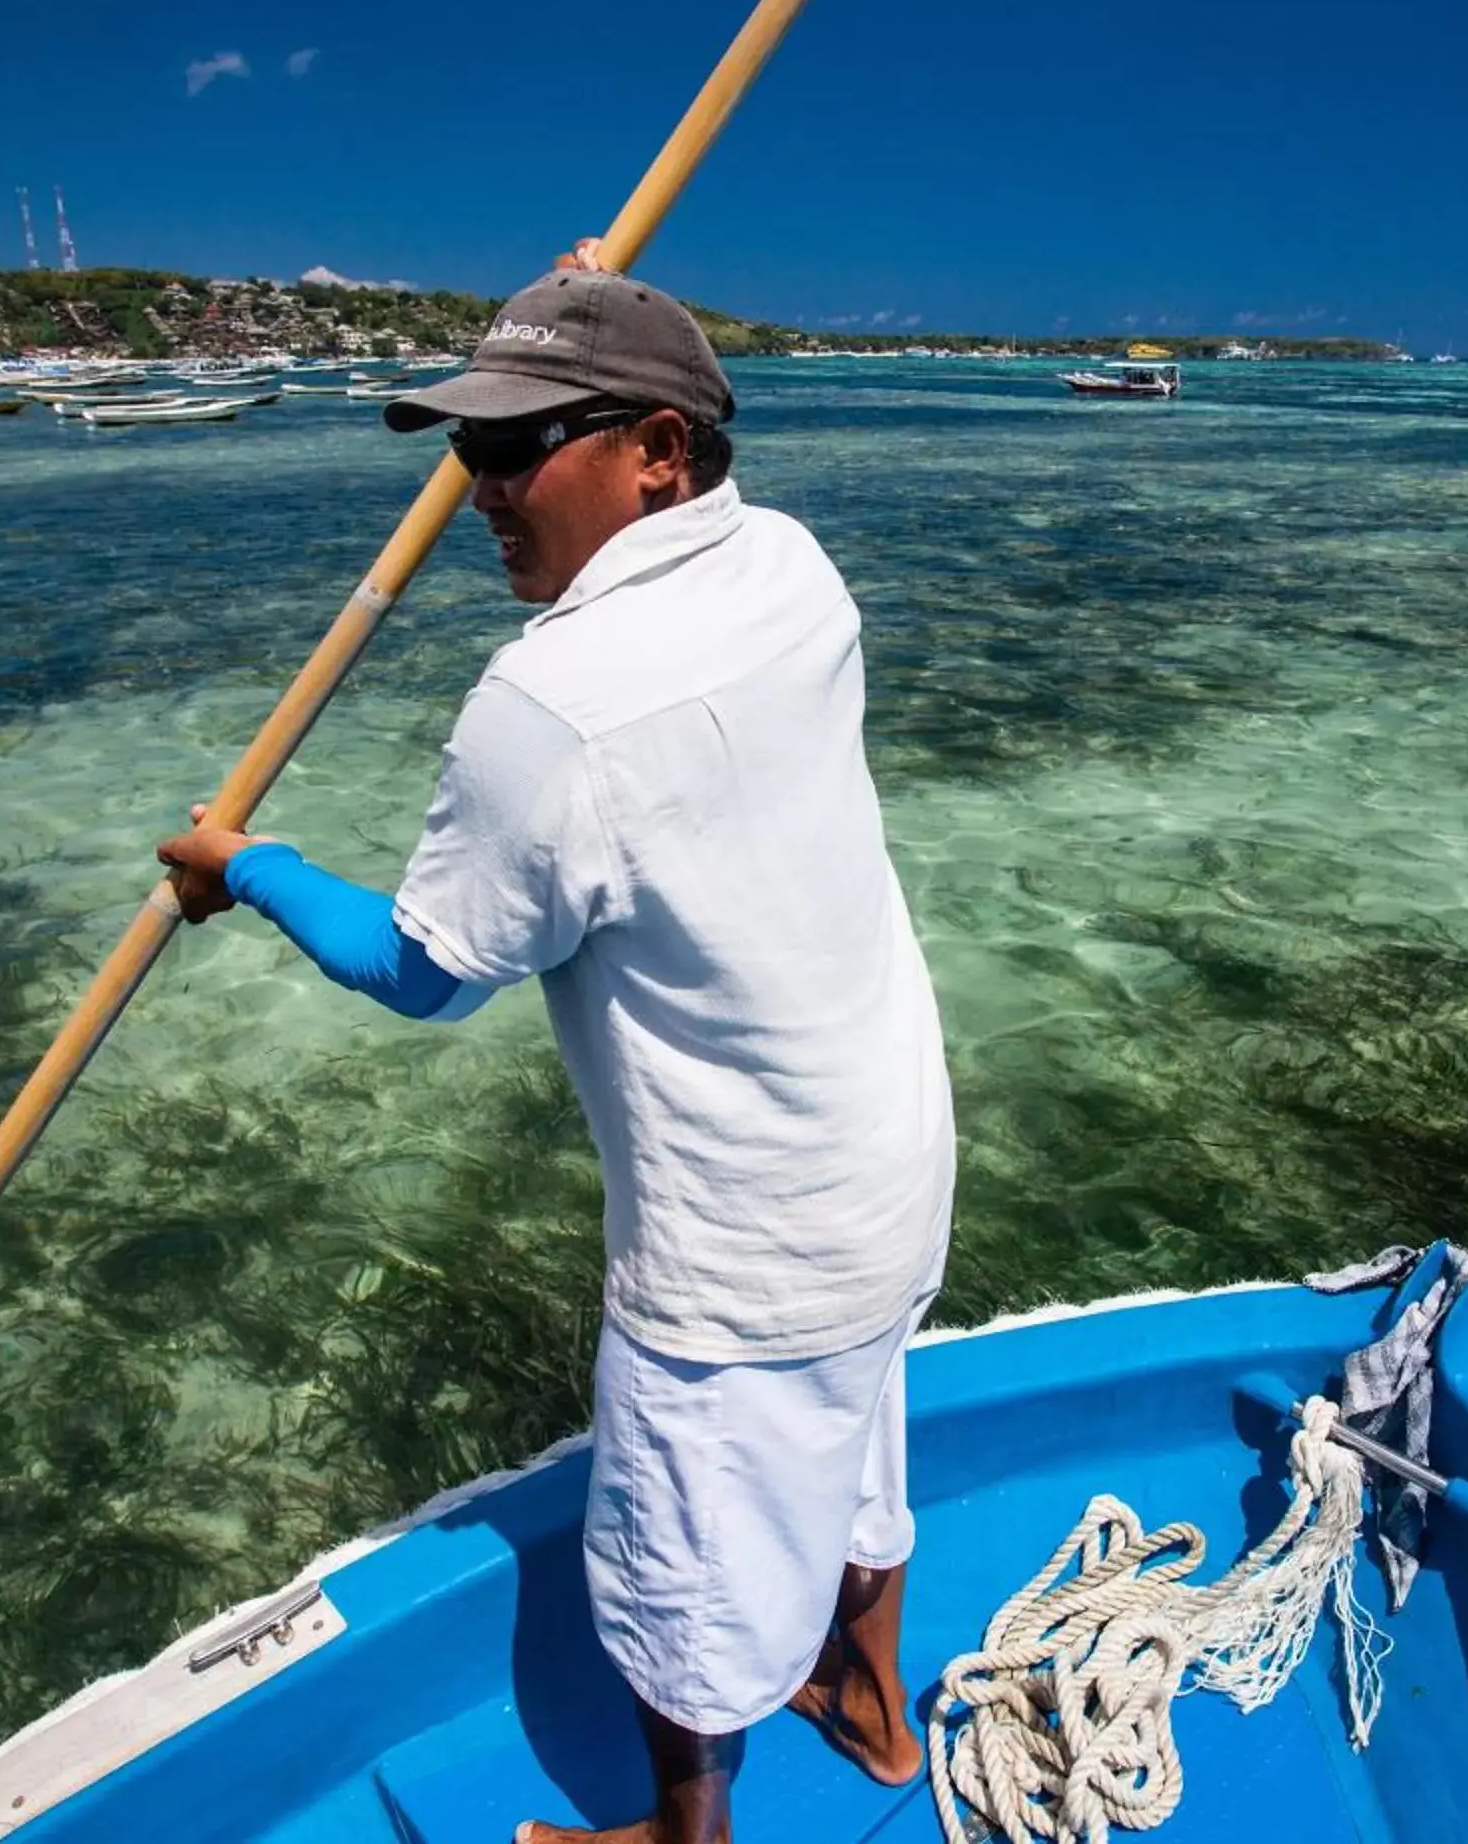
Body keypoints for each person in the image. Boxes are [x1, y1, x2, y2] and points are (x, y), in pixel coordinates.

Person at [157, 244, 957, 1844]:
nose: (481, 488)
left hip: (736, 1245)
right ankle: (873, 1709)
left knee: (683, 1542)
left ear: (658, 453)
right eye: (468, 448)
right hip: (892, 1160)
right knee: (857, 1427)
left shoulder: (552, 706)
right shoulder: (796, 568)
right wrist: (586, 312)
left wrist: (246, 868)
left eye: (519, 447)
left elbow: (426, 973)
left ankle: (677, 1833)